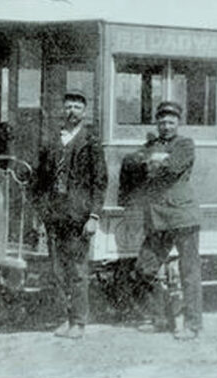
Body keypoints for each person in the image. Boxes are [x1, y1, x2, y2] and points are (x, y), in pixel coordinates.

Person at [121, 100, 202, 341]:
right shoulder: (152, 145)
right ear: (157, 123)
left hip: (182, 216)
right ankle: (159, 318)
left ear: (178, 123)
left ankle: (193, 325)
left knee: (189, 273)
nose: (166, 126)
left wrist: (151, 161)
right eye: (162, 121)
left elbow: (171, 169)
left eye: (171, 122)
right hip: (157, 219)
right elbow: (130, 163)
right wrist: (152, 160)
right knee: (144, 268)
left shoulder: (186, 144)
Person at [34, 88, 108, 339]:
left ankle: (79, 322)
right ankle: (66, 318)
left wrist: (94, 217)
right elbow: (41, 179)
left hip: (79, 216)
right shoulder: (54, 140)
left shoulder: (91, 142)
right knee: (58, 270)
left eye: (77, 106)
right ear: (62, 110)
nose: (71, 111)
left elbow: (100, 182)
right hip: (55, 215)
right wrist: (41, 210)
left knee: (77, 270)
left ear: (84, 112)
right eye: (68, 106)